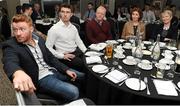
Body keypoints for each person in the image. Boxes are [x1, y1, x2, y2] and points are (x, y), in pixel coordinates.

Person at [2, 14, 85, 101]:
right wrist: (17, 72)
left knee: (82, 76)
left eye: (22, 29)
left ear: (31, 28)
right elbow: (9, 61)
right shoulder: (11, 45)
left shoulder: (39, 39)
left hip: (53, 70)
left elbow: (51, 58)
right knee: (74, 92)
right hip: (41, 78)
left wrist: (66, 70)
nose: (18, 33)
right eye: (15, 30)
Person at [46, 4, 87, 72]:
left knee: (90, 61)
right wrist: (62, 56)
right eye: (63, 11)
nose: (65, 14)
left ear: (71, 14)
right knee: (84, 65)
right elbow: (48, 48)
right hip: (65, 56)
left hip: (76, 52)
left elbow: (79, 42)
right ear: (60, 13)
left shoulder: (73, 27)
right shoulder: (54, 29)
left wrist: (85, 52)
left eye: (67, 12)